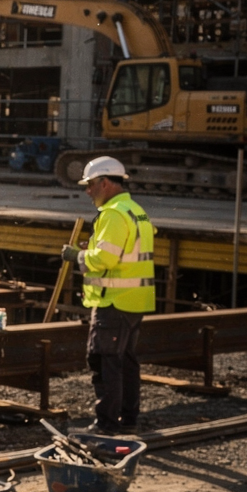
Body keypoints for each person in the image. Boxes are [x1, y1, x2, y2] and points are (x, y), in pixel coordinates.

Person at [61, 156, 155, 433]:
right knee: (125, 362)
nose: (88, 191)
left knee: (105, 362)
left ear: (104, 183)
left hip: (113, 301)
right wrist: (92, 248)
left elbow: (105, 259)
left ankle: (107, 424)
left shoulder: (113, 214)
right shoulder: (136, 211)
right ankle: (127, 419)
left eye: (90, 185)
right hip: (134, 300)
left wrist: (77, 255)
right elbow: (128, 248)